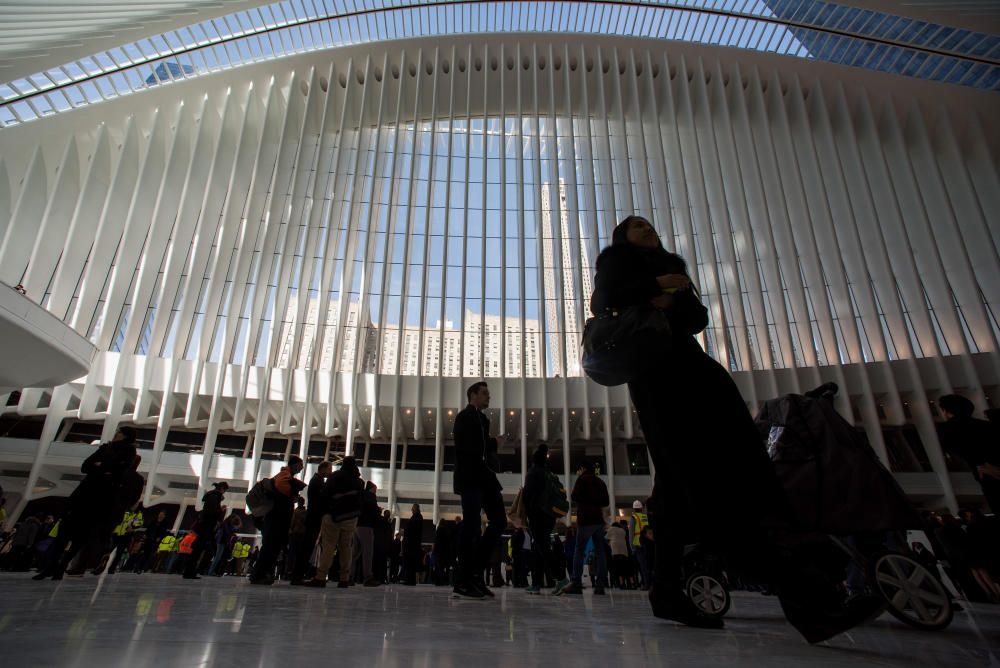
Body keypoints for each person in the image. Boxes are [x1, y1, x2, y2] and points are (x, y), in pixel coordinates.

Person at [591, 215, 881, 641]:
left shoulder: (673, 265)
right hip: (660, 379)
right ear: (622, 236)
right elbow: (604, 302)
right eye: (636, 225)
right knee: (716, 485)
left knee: (681, 486)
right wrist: (660, 289)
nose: (645, 226)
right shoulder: (617, 261)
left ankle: (667, 590)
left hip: (694, 371)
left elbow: (696, 317)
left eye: (648, 223)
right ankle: (812, 602)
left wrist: (672, 294)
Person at [33, 427, 138, 580]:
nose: (116, 434)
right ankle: (51, 566)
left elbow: (116, 471)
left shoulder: (128, 452)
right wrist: (103, 469)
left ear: (126, 436)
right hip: (83, 495)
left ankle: (61, 567)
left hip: (100, 499)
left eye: (119, 433)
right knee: (63, 533)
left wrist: (100, 467)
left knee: (80, 537)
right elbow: (86, 466)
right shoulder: (105, 448)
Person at [452, 381, 506, 599]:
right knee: (472, 526)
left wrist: (491, 443)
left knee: (499, 521)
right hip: (470, 477)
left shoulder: (483, 419)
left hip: (485, 477)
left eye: (488, 393)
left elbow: (482, 447)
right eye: (484, 393)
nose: (488, 396)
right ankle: (464, 580)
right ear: (472, 395)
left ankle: (475, 573)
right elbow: (469, 447)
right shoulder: (464, 417)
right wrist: (493, 443)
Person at [937, 394, 1000, 514]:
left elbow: (959, 449)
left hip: (986, 473)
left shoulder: (947, 428)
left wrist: (981, 465)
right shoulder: (987, 425)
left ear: (946, 411)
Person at [308, 457, 363, 588]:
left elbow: (324, 495)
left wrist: (326, 512)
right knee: (346, 548)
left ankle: (321, 577)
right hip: (350, 518)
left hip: (333, 517)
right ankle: (344, 578)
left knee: (328, 547)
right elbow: (360, 500)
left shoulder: (335, 476)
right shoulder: (358, 481)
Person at [251, 456, 306, 584]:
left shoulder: (285, 475)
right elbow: (281, 488)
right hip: (277, 517)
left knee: (272, 546)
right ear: (294, 464)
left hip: (276, 517)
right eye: (300, 464)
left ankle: (261, 574)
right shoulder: (285, 475)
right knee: (270, 546)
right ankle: (259, 575)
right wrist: (293, 492)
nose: (302, 467)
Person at [559, 460, 610, 595]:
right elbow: (606, 501)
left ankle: (576, 582)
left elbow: (574, 496)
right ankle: (600, 585)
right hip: (598, 521)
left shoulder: (582, 480)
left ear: (583, 469)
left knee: (579, 550)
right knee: (600, 552)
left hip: (586, 520)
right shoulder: (600, 482)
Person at [522, 444, 564, 594]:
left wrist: (526, 514)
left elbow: (527, 495)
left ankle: (561, 578)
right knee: (539, 548)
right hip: (549, 515)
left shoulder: (533, 472)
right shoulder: (548, 473)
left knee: (542, 548)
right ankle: (536, 583)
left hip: (537, 515)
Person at [290, 461, 332, 585]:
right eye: (329, 469)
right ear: (323, 469)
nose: (330, 472)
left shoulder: (317, 481)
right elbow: (321, 500)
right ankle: (297, 575)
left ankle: (298, 575)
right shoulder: (317, 482)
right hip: (314, 518)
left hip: (314, 518)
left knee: (307, 547)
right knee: (306, 547)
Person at [183, 481, 228, 579]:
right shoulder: (215, 496)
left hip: (204, 526)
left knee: (198, 548)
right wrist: (221, 512)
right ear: (222, 489)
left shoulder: (212, 496)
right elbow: (211, 513)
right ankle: (189, 571)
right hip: (206, 527)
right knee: (199, 549)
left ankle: (190, 571)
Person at [356, 481, 381, 586]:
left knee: (355, 553)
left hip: (357, 525)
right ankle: (368, 577)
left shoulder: (361, 495)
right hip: (367, 526)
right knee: (367, 552)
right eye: (375, 488)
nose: (376, 490)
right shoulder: (371, 496)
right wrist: (378, 510)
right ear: (372, 488)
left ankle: (348, 575)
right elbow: (372, 511)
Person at [629, 500, 652, 590]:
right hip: (647, 543)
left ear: (634, 509)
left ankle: (647, 585)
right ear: (641, 508)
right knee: (648, 565)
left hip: (638, 544)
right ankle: (649, 583)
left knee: (643, 566)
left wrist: (632, 547)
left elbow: (631, 534)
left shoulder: (633, 518)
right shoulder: (645, 517)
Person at [402, 504, 424, 586]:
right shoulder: (418, 517)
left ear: (415, 509)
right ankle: (410, 580)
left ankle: (409, 580)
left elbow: (411, 529)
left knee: (410, 562)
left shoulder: (416, 517)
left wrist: (405, 531)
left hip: (412, 543)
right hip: (414, 543)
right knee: (411, 562)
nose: (411, 509)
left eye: (412, 508)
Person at [607, 520, 631, 589]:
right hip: (624, 551)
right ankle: (627, 583)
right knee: (623, 567)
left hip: (615, 551)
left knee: (616, 567)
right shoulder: (622, 530)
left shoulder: (611, 529)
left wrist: (609, 543)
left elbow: (605, 537)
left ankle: (618, 583)